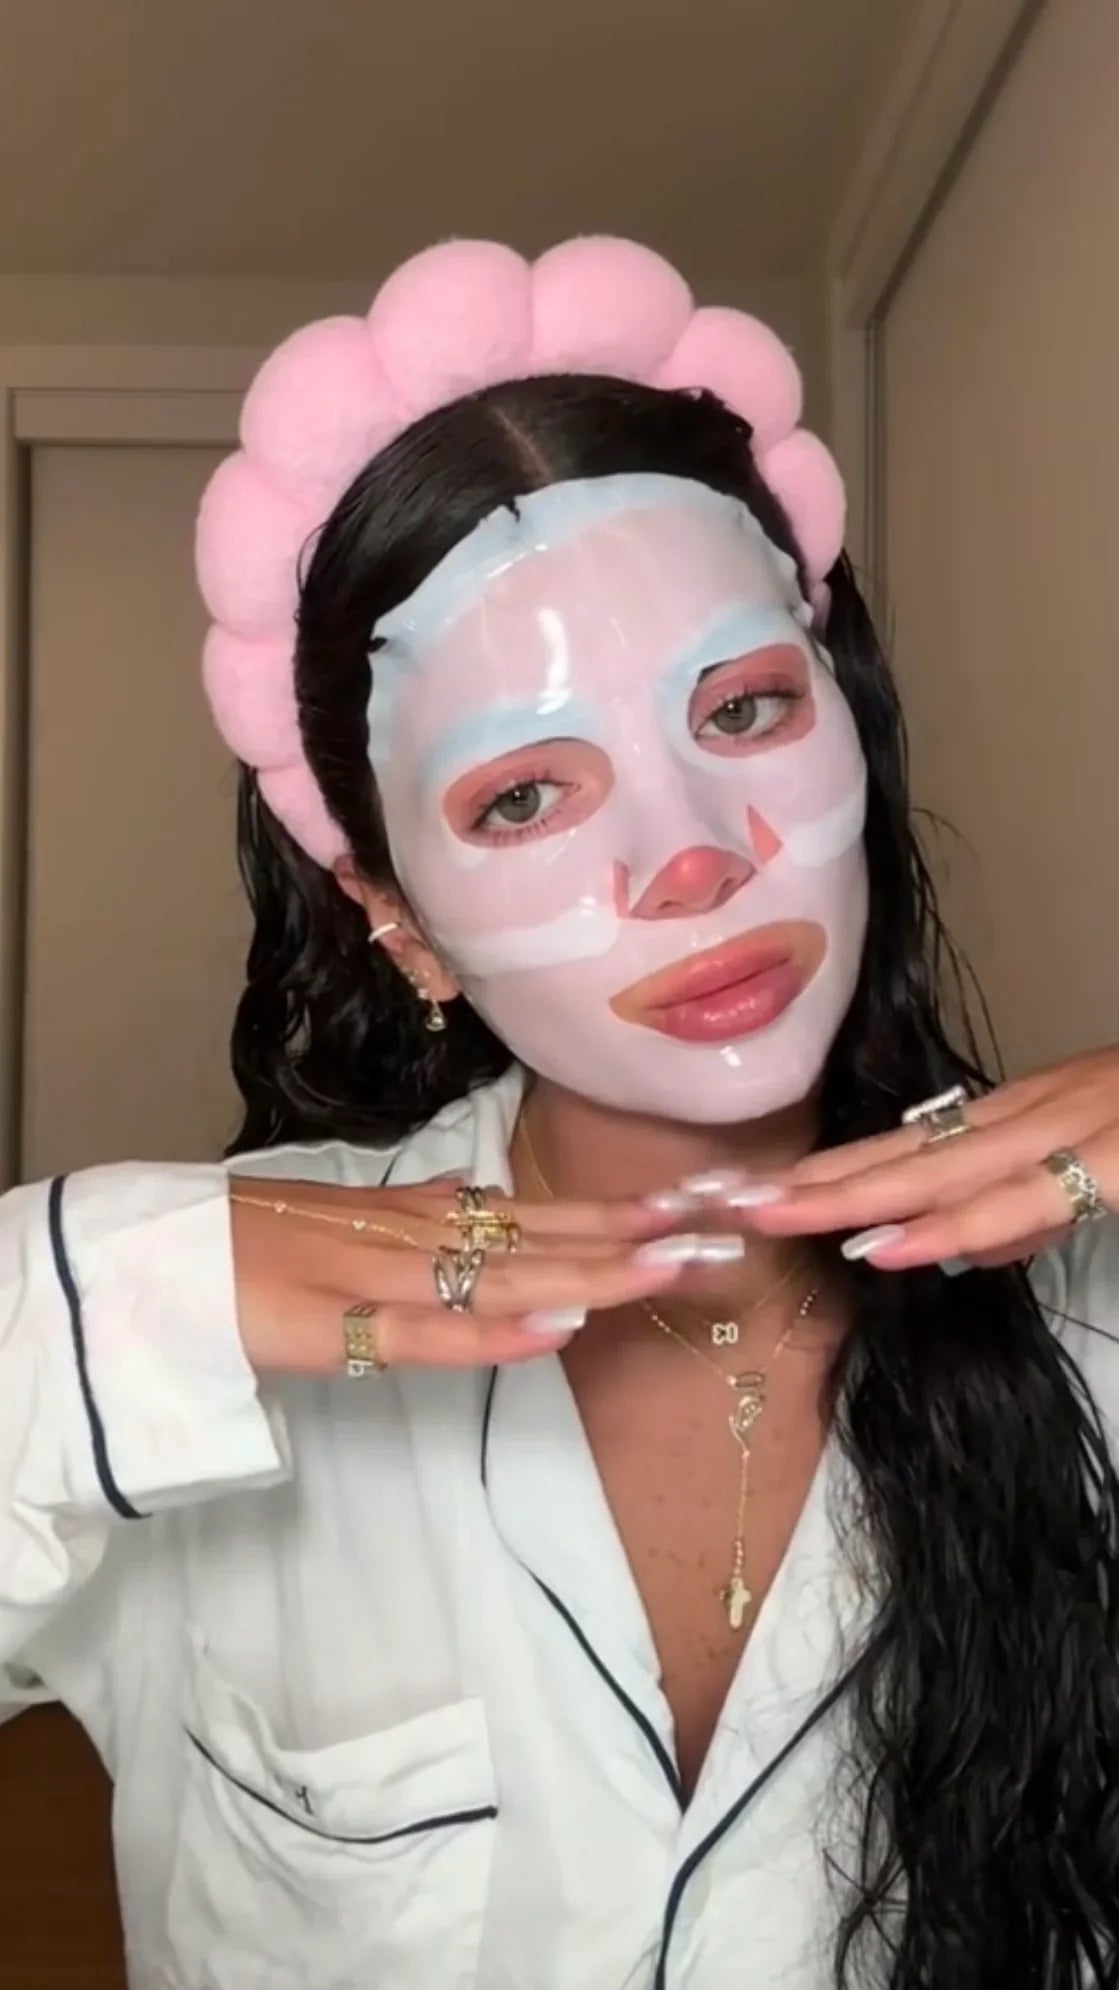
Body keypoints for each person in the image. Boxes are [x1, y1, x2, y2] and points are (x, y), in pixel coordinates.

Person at [2, 236, 1118, 1990]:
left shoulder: (1092, 1306)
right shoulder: (200, 1353)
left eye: (743, 707)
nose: (692, 856)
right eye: (525, 795)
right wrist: (80, 1300)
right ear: (396, 913)